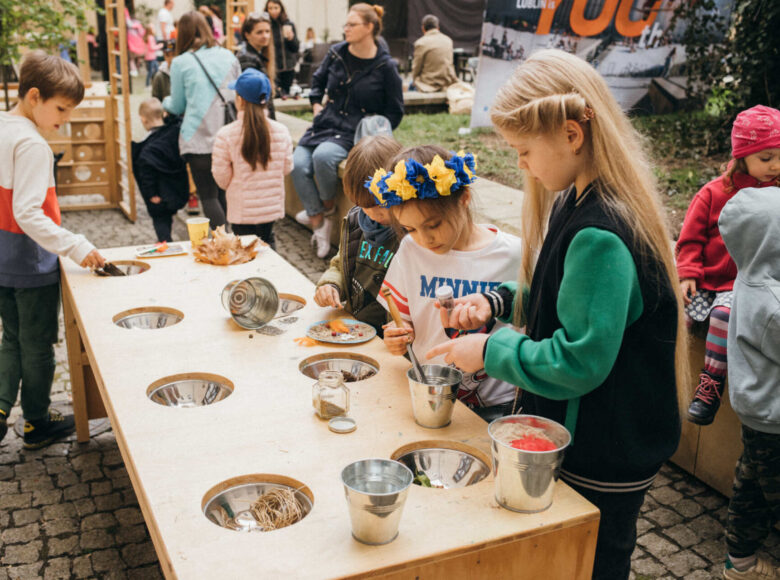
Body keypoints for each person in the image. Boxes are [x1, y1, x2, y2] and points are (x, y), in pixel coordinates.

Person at [426, 49, 688, 579]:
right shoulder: (578, 199)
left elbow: (579, 361)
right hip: (599, 436)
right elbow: (563, 294)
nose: (520, 164)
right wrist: (498, 302)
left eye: (523, 150)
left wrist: (489, 350)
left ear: (572, 134)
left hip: (602, 447)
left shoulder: (599, 233)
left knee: (592, 561)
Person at [0, 51, 105, 449]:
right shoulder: (32, 144)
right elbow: (27, 212)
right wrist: (76, 245)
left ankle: (0, 409)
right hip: (31, 260)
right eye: (61, 108)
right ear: (33, 96)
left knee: (12, 338)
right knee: (39, 345)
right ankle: (37, 422)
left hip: (2, 257)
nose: (66, 118)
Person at [374, 146, 521, 417]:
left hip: (497, 405)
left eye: (433, 225)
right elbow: (401, 318)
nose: (424, 239)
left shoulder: (513, 254)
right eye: (410, 229)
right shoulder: (410, 250)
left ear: (464, 198)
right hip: (428, 393)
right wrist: (398, 335)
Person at [677, 105, 780, 426]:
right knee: (677, 314)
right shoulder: (714, 193)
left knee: (724, 316)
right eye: (766, 157)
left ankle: (710, 385)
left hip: (741, 285)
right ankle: (665, 376)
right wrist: (688, 273)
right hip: (708, 280)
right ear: (742, 156)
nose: (776, 165)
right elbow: (690, 238)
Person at [291, 3, 403, 258]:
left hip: (353, 131)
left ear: (369, 27)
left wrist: (376, 133)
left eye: (352, 24)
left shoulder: (385, 66)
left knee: (323, 157)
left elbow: (395, 111)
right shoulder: (336, 53)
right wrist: (316, 105)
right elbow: (317, 82)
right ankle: (318, 220)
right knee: (297, 162)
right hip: (325, 123)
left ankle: (326, 210)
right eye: (346, 24)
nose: (346, 29)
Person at [719, 186, 780, 580]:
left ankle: (739, 562)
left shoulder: (751, 278)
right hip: (775, 420)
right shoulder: (772, 305)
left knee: (752, 489)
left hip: (757, 414)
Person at [314, 135, 402, 335]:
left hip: (390, 335)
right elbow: (341, 263)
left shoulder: (409, 234)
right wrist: (331, 284)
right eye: (363, 206)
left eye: (380, 206)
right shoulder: (355, 222)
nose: (372, 214)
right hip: (356, 326)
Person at [163, 10, 240, 229]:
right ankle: (231, 238)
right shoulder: (229, 56)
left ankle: (222, 241)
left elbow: (177, 105)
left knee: (208, 195)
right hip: (228, 134)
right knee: (224, 192)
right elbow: (238, 94)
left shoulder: (180, 62)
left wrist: (164, 103)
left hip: (199, 138)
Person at [211, 69, 293, 249]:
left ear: (240, 100)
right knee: (268, 242)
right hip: (270, 206)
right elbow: (286, 168)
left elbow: (221, 178)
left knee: (242, 249)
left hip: (241, 208)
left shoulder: (226, 135)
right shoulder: (282, 131)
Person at [132, 98, 189, 243]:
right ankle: (167, 241)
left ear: (143, 119)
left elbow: (146, 175)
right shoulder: (175, 132)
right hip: (176, 189)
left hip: (158, 193)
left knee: (161, 220)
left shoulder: (147, 149)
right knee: (168, 216)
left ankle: (165, 242)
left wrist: (150, 193)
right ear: (164, 114)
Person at [236, 11, 277, 119]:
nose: (265, 36)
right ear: (247, 35)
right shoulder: (247, 58)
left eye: (267, 31)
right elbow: (252, 97)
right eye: (259, 32)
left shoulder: (256, 54)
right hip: (257, 119)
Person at [410, 14, 457, 93]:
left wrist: (414, 80)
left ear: (423, 28)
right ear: (438, 27)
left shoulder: (421, 43)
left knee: (411, 86)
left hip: (428, 84)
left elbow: (416, 68)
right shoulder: (448, 41)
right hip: (446, 83)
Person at [264, 0, 298, 97]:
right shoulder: (266, 26)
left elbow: (295, 48)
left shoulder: (288, 24)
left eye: (276, 8)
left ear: (281, 9)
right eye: (270, 8)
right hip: (271, 67)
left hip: (288, 68)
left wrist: (291, 39)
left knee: (285, 96)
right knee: (272, 94)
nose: (273, 11)